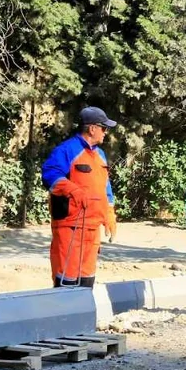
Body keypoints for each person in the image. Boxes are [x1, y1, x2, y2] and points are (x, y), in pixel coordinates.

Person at [41, 106, 119, 288]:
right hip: (70, 227)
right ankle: (63, 313)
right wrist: (72, 190)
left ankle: (83, 312)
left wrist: (109, 212)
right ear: (92, 129)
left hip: (92, 228)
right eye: (104, 128)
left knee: (87, 278)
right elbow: (50, 174)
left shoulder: (100, 155)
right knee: (67, 278)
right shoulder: (67, 150)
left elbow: (105, 186)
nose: (106, 133)